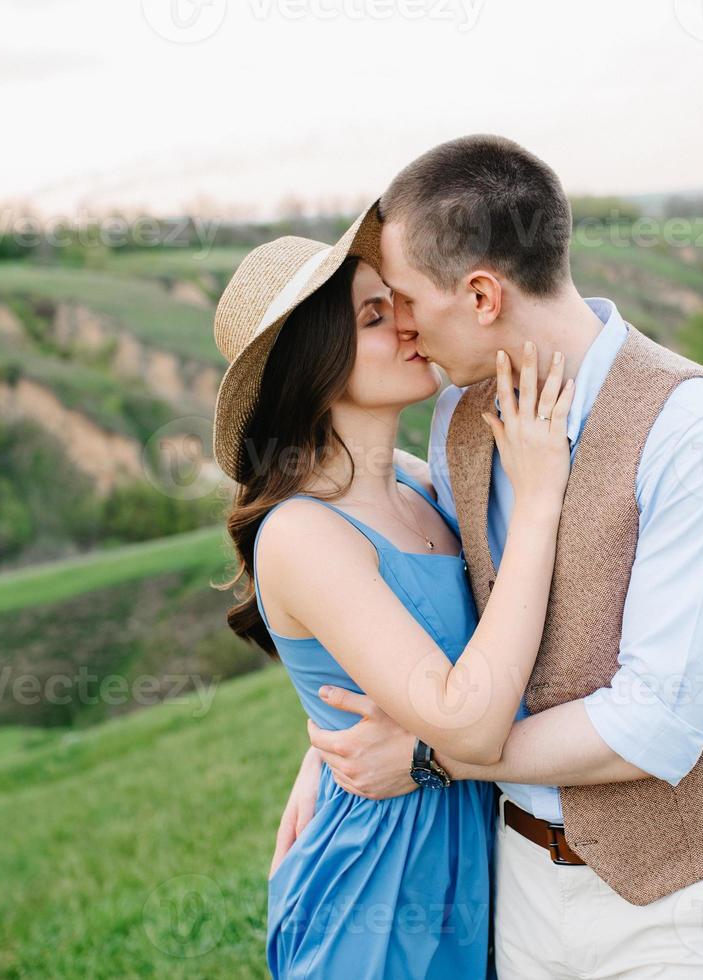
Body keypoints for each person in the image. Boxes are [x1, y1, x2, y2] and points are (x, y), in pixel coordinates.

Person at [281, 135, 703, 977]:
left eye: (405, 300)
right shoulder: (459, 417)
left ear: (482, 294)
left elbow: (653, 727)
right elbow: (436, 613)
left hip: (673, 907)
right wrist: (334, 745)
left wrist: (425, 757)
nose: (403, 330)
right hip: (514, 884)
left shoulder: (702, 440)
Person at [212, 203, 575, 979]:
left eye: (399, 304)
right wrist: (540, 501)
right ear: (316, 361)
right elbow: (466, 725)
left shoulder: (419, 482)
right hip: (376, 885)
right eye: (376, 316)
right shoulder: (303, 533)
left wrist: (316, 753)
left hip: (470, 852)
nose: (410, 325)